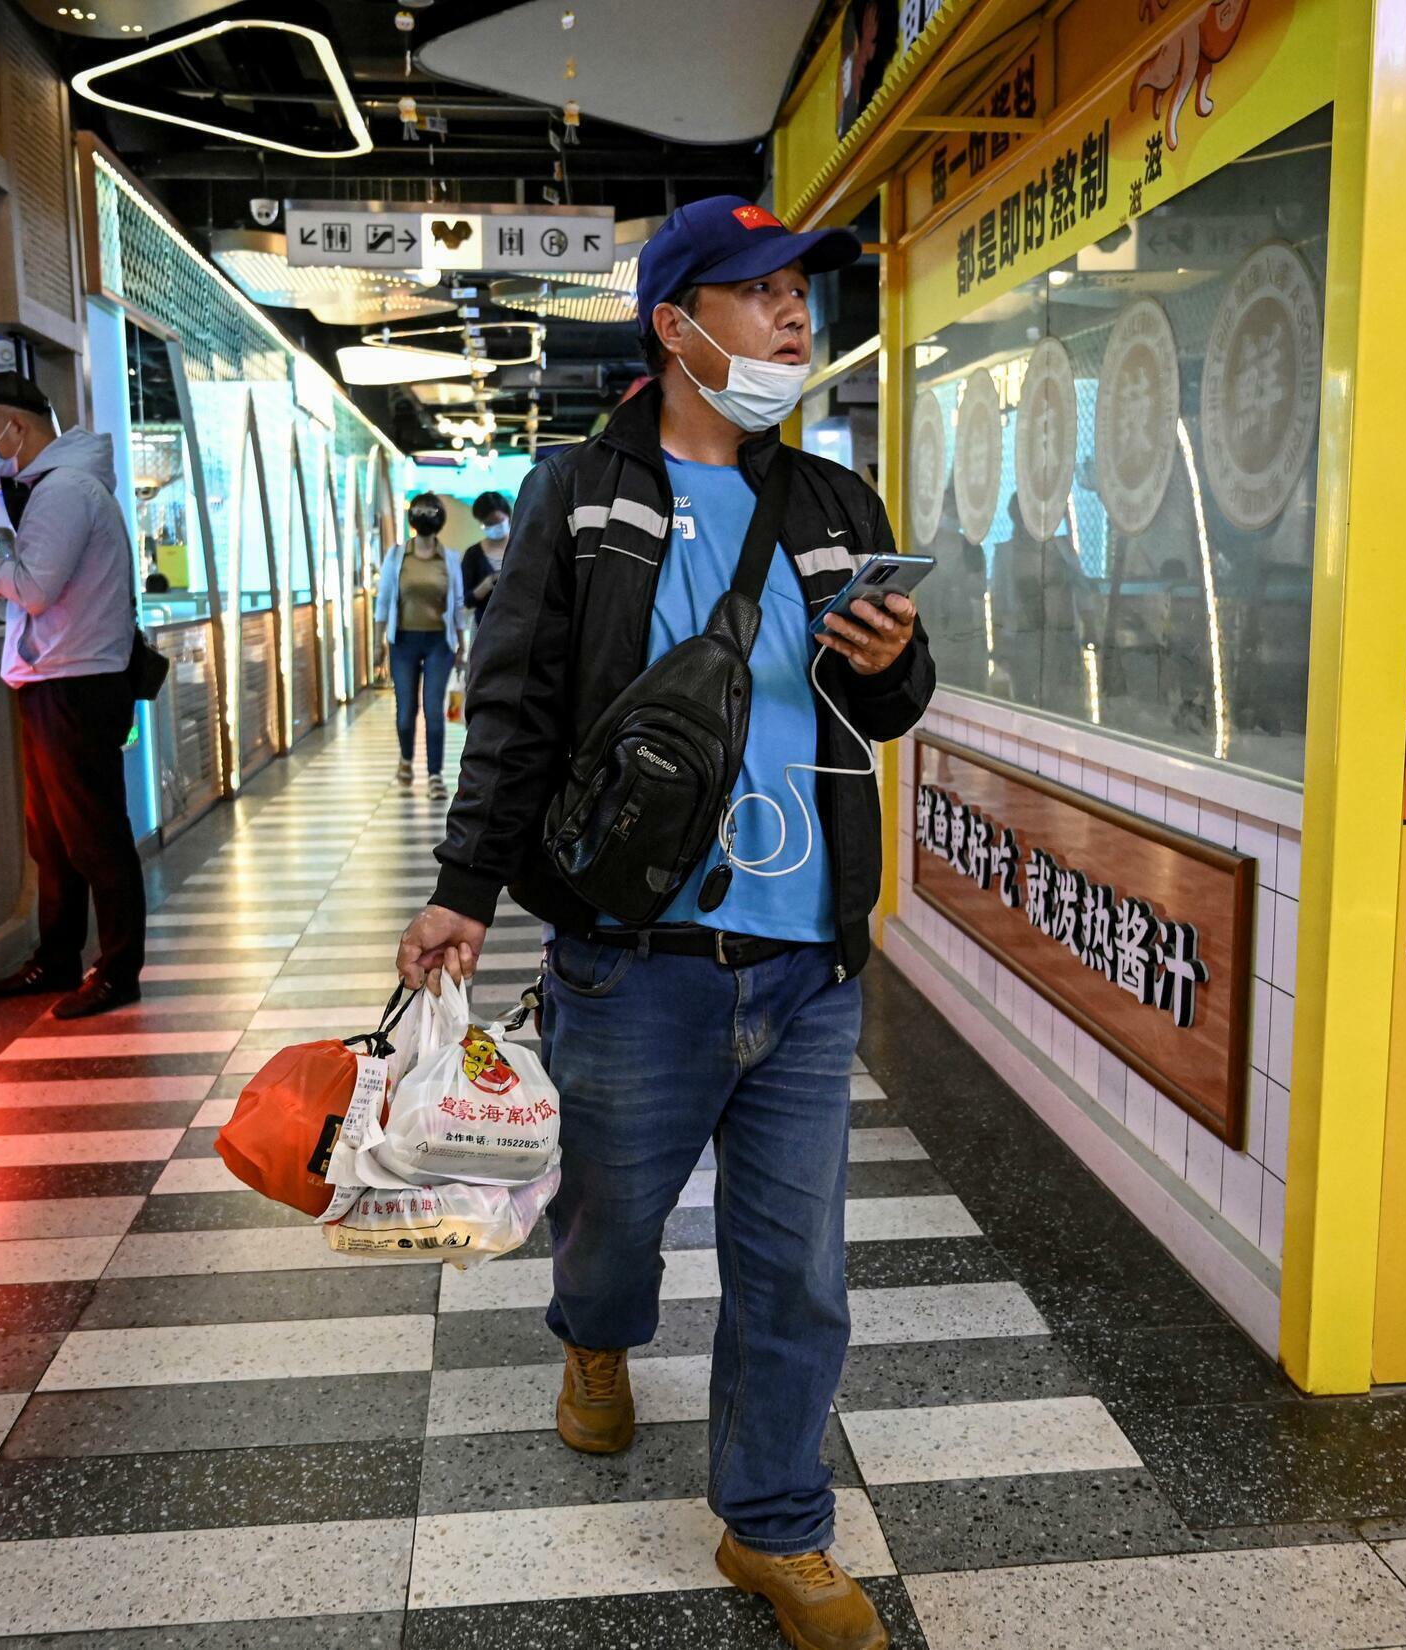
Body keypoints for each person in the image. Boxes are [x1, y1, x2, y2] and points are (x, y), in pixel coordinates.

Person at [394, 196, 932, 1650]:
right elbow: (511, 705)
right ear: (676, 326)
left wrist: (892, 660)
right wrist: (461, 887)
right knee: (610, 1220)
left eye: (800, 292)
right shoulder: (580, 495)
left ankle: (776, 1526)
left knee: (796, 1270)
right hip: (635, 959)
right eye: (757, 293)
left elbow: (885, 706)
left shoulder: (834, 505)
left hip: (805, 957)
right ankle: (594, 1338)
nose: (793, 316)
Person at [0, 372, 145, 1020]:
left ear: (17, 425)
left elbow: (36, 587)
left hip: (75, 683)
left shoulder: (64, 490)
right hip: (60, 679)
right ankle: (58, 958)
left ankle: (117, 971)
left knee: (94, 835)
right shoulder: (56, 486)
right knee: (55, 838)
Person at [374, 492, 465, 799]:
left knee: (434, 710)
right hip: (403, 642)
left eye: (431, 512)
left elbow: (457, 603)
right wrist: (377, 643)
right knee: (406, 711)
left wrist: (461, 645)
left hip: (439, 643)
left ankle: (435, 776)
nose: (426, 518)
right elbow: (384, 601)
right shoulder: (397, 556)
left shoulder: (449, 558)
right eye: (422, 512)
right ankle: (405, 758)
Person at [458, 490, 512, 629]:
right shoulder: (473, 554)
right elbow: (465, 599)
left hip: (517, 626)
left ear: (508, 515)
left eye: (498, 521)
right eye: (488, 523)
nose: (494, 527)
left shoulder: (522, 549)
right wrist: (485, 586)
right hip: (484, 627)